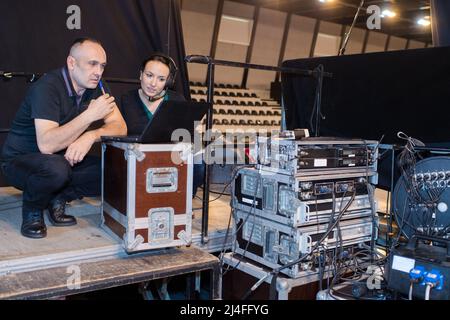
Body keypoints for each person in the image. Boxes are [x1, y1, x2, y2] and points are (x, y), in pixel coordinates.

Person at [0, 38, 127, 239]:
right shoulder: (47, 87)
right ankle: (33, 209)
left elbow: (120, 126)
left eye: (102, 65)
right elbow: (47, 145)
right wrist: (89, 116)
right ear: (72, 63)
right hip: (21, 161)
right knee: (56, 168)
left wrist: (90, 135)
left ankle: (57, 197)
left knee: (116, 169)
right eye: (92, 64)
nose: (98, 71)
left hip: (62, 159)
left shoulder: (97, 85)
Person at [119, 53, 204, 196]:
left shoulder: (177, 99)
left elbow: (184, 133)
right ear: (141, 75)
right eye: (149, 75)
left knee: (199, 163)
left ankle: (185, 200)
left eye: (161, 79)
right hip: (141, 157)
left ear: (168, 81)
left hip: (173, 155)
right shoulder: (127, 98)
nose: (153, 83)